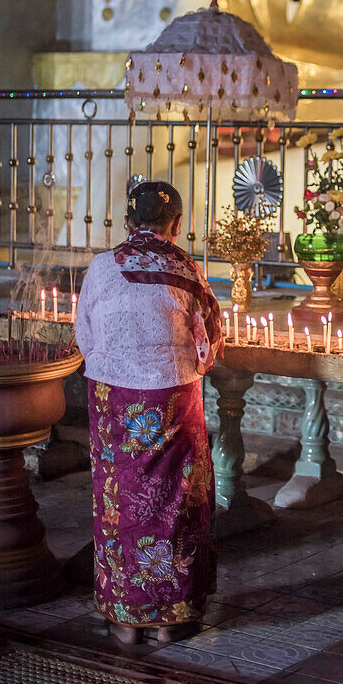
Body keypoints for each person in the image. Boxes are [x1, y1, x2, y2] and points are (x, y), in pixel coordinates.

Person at [76, 180, 223, 644]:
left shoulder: (101, 268)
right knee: (177, 502)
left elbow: (86, 337)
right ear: (176, 225)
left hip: (114, 403)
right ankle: (171, 618)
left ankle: (124, 617)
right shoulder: (188, 270)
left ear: (126, 223)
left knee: (120, 505)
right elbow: (208, 348)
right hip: (174, 401)